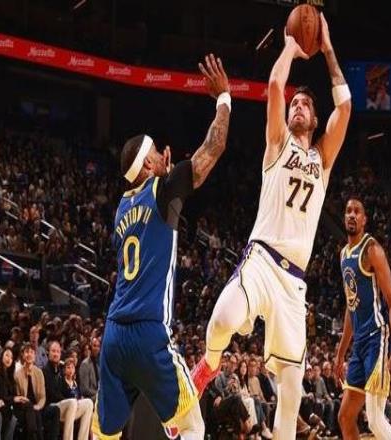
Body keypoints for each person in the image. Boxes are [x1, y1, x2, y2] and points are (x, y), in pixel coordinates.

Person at [193, 13, 351, 439]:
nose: (298, 106)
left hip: (293, 282)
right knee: (222, 319)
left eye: (306, 105)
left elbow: (345, 107)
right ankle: (208, 364)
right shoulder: (277, 144)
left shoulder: (323, 159)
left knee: (292, 390)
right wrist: (289, 48)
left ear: (314, 121)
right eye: (296, 104)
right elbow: (277, 86)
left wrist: (328, 48)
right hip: (261, 259)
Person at [92, 54, 231, 440]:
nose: (160, 150)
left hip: (113, 336)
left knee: (105, 434)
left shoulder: (122, 208)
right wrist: (224, 98)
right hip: (148, 331)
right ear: (149, 164)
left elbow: (154, 220)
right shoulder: (161, 189)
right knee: (192, 424)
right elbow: (213, 149)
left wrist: (167, 180)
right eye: (155, 150)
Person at [335, 198, 391, 440]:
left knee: (374, 419)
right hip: (359, 344)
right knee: (345, 417)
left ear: (364, 220)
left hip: (377, 338)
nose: (352, 215)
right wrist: (340, 353)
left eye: (357, 212)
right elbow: (351, 305)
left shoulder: (372, 250)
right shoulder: (343, 255)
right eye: (348, 211)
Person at [42, 341, 92, 440]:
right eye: (53, 351)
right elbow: (51, 393)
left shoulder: (61, 370)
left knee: (88, 403)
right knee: (72, 402)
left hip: (66, 405)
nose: (56, 354)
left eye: (58, 351)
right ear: (48, 353)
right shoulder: (45, 371)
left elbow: (66, 390)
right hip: (52, 406)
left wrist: (75, 398)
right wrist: (70, 400)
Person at [0, 348, 19, 440]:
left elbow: (13, 395)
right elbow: (0, 395)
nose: (9, 359)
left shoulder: (10, 377)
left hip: (7, 405)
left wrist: (12, 399)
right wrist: (12, 399)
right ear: (1, 356)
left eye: (11, 357)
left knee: (15, 415)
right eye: (7, 355)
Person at [78, 337, 100, 402]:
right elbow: (84, 389)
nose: (96, 348)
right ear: (90, 347)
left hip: (98, 396)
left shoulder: (99, 364)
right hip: (89, 399)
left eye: (98, 346)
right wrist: (98, 394)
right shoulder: (85, 364)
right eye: (94, 346)